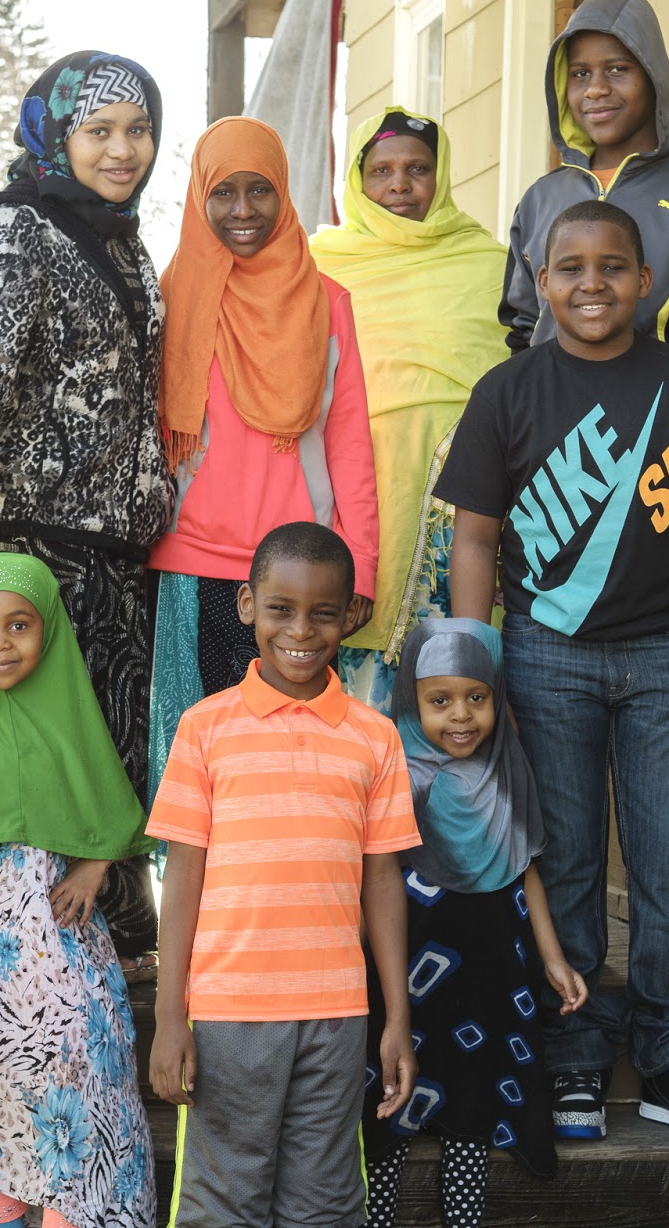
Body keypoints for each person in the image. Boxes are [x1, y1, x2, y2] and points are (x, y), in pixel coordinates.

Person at [436, 202, 669, 1141]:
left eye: (612, 266)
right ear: (540, 283)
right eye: (569, 267)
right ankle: (575, 1056)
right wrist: (473, 664)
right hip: (543, 655)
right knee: (567, 861)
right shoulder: (508, 390)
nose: (591, 283)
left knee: (668, 858)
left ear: (645, 280)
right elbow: (474, 535)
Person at [0, 51, 173, 975]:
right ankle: (38, 950)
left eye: (138, 130)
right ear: (55, 134)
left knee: (113, 739)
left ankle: (113, 933)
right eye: (98, 130)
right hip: (31, 536)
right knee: (58, 743)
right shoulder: (18, 227)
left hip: (111, 541)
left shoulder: (120, 238)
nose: (122, 149)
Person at [147, 523, 421, 1226]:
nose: (301, 629)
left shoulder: (375, 736)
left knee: (324, 1203)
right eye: (280, 608)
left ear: (351, 616)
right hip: (228, 1015)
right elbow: (182, 877)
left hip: (336, 1014)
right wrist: (170, 1014)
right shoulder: (204, 729)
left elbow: (383, 881)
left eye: (323, 612)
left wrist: (397, 1018)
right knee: (224, 1200)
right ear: (245, 605)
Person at [0, 553, 156, 1228]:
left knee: (74, 1080)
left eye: (18, 625)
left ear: (48, 628)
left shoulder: (68, 717)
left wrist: (91, 869)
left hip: (56, 951)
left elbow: (105, 808)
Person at [147, 116, 379, 814]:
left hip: (298, 576)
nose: (242, 210)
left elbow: (350, 446)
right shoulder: (171, 295)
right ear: (198, 198)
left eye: (259, 191)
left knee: (296, 771)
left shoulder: (326, 301)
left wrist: (359, 564)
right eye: (223, 193)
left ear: (284, 194)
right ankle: (210, 923)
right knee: (203, 775)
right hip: (190, 570)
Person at [362, 617, 587, 1227]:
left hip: (487, 974)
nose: (461, 717)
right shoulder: (393, 775)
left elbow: (524, 868)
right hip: (404, 972)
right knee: (384, 1108)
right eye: (439, 701)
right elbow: (372, 878)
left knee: (474, 1098)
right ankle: (375, 1217)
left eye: (477, 698)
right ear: (411, 697)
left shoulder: (506, 772)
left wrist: (552, 958)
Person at [310, 108, 510, 714]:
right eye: (382, 171)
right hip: (353, 501)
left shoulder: (489, 265)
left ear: (442, 177)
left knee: (454, 686)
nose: (400, 184)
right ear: (358, 180)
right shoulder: (317, 263)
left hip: (461, 512)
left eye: (419, 169)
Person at [499, 0, 669, 427]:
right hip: (548, 435)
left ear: (653, 77)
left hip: (654, 429)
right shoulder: (538, 200)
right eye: (580, 74)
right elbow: (522, 333)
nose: (597, 89)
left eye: (618, 69)